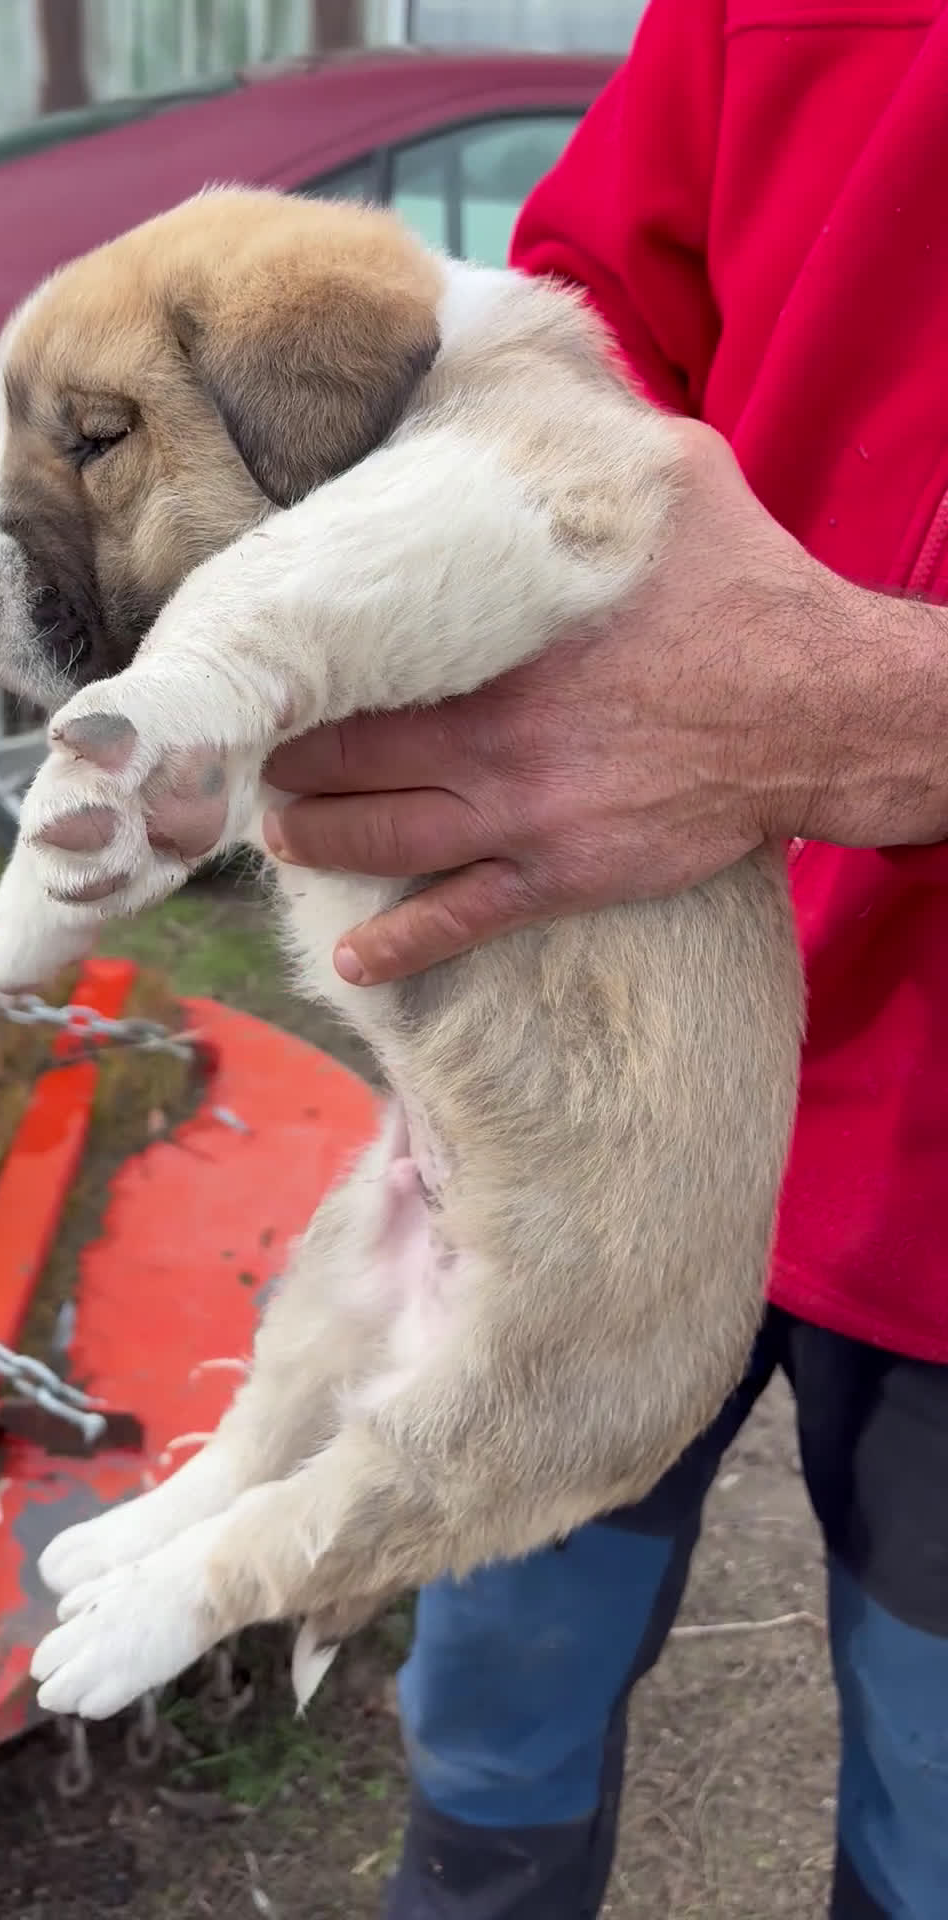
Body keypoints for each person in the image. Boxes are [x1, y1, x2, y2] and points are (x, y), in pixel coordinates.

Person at [263, 3, 948, 1914]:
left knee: (940, 1817)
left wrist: (892, 712)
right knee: (488, 1714)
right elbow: (577, 317)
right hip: (610, 1086)